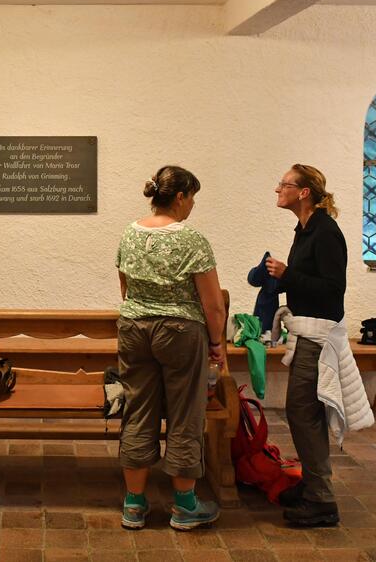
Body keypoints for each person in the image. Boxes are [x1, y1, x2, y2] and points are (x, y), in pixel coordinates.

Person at [114, 165, 229, 532]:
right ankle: (185, 506)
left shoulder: (129, 233)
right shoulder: (191, 240)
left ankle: (134, 504)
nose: (192, 204)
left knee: (138, 409)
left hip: (134, 328)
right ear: (180, 197)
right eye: (192, 197)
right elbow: (213, 305)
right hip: (180, 332)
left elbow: (125, 288)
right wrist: (216, 343)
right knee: (185, 413)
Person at [264, 164, 351, 527]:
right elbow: (307, 281)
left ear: (303, 192)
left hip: (318, 335)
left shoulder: (326, 232)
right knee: (302, 412)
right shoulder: (305, 229)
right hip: (305, 332)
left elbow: (332, 290)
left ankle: (322, 500)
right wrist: (280, 279)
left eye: (283, 184)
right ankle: (313, 485)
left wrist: (288, 275)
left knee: (303, 412)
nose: (277, 189)